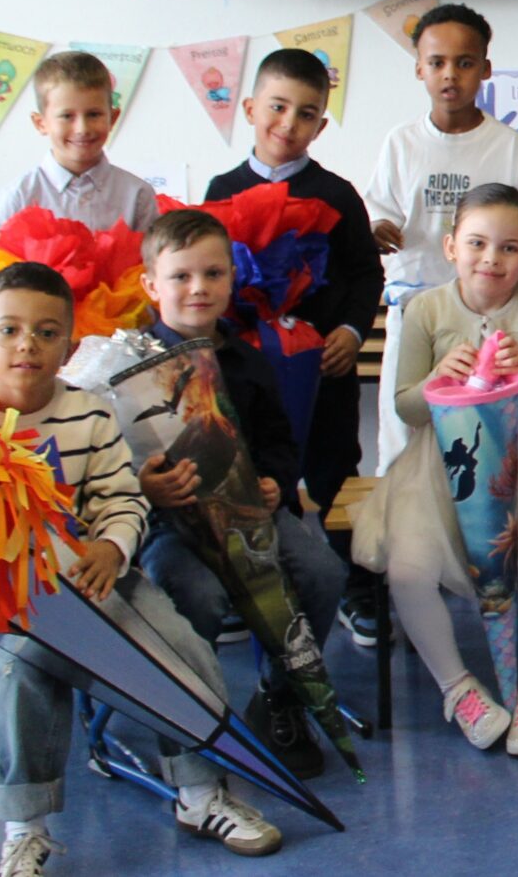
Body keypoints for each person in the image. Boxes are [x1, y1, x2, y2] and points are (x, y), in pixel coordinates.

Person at [0, 261, 280, 877]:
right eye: (10, 331)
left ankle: (198, 791)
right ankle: (26, 828)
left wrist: (111, 547)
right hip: (2, 597)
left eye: (47, 332)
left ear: (68, 345)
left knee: (182, 647)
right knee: (17, 676)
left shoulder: (89, 414)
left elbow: (121, 498)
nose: (28, 344)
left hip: (94, 577)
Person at [354, 184, 518, 756]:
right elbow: (405, 407)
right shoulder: (424, 309)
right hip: (440, 465)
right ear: (451, 246)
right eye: (477, 243)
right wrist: (434, 385)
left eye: (509, 249)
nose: (492, 259)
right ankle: (458, 686)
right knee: (409, 569)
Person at [134, 209, 347, 778]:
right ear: (152, 285)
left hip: (250, 513)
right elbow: (109, 466)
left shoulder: (248, 361)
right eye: (180, 277)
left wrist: (276, 479)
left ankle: (279, 695)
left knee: (322, 573)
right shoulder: (127, 368)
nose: (198, 288)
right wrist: (148, 487)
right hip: (168, 525)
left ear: (231, 279)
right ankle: (186, 711)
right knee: (196, 595)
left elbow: (280, 440)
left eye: (213, 274)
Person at [202, 47, 385, 644]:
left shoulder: (336, 193)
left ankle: (357, 590)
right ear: (251, 108)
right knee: (249, 475)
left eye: (306, 113)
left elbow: (365, 274)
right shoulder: (221, 189)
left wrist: (351, 333)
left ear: (321, 125)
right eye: (277, 107)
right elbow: (210, 278)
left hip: (324, 373)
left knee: (333, 475)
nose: (288, 123)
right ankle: (246, 587)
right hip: (250, 378)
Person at [365, 4, 518, 480]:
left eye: (464, 63)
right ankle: (399, 538)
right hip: (416, 308)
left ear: (485, 68)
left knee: (480, 436)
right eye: (436, 62)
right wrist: (378, 228)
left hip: (486, 314)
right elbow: (380, 209)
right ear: (418, 67)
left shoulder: (508, 146)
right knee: (403, 432)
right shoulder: (401, 143)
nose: (449, 75)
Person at [0, 50, 159, 239]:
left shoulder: (138, 196)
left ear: (112, 118)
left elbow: (155, 266)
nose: (82, 128)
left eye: (93, 114)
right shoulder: (18, 197)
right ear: (41, 123)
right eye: (67, 116)